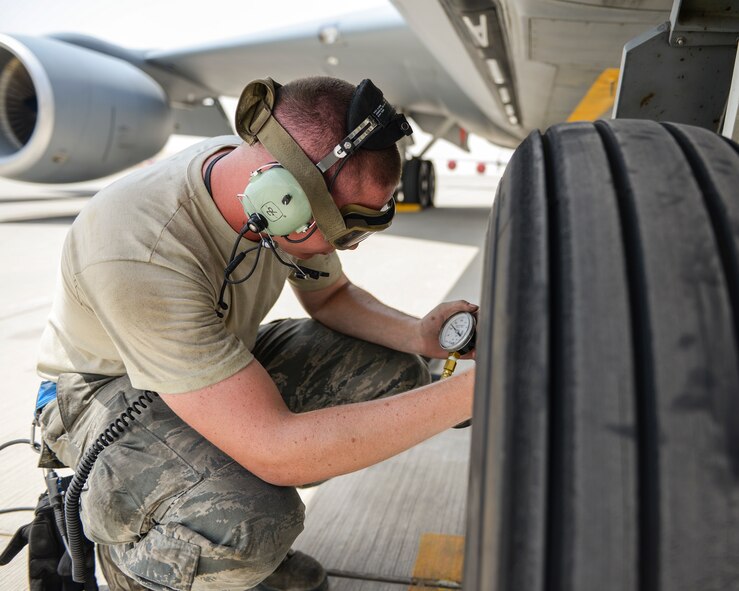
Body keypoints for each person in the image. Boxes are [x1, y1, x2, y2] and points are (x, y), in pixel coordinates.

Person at [34, 75, 476, 591]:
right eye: (344, 228)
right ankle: (139, 560)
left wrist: (419, 337)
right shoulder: (138, 248)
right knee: (251, 521)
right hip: (98, 393)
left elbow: (330, 297)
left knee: (395, 370)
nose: (348, 247)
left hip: (207, 365)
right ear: (282, 195)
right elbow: (277, 449)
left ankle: (210, 528)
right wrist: (472, 394)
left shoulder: (263, 188)